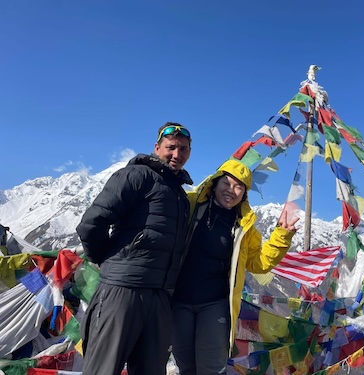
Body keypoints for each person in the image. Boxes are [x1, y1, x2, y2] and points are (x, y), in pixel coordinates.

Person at [76, 122, 193, 375]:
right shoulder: (136, 176)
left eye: (183, 148)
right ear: (157, 148)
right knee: (103, 369)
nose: (177, 153)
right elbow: (91, 223)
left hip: (160, 297)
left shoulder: (181, 197)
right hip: (123, 291)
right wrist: (104, 259)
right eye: (170, 147)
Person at [172, 159, 299, 374]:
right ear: (215, 182)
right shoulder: (190, 204)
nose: (232, 190)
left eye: (239, 186)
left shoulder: (244, 227)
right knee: (185, 366)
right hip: (179, 301)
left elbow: (258, 263)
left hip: (215, 305)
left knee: (212, 368)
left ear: (245, 194)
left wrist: (281, 237)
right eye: (227, 183)